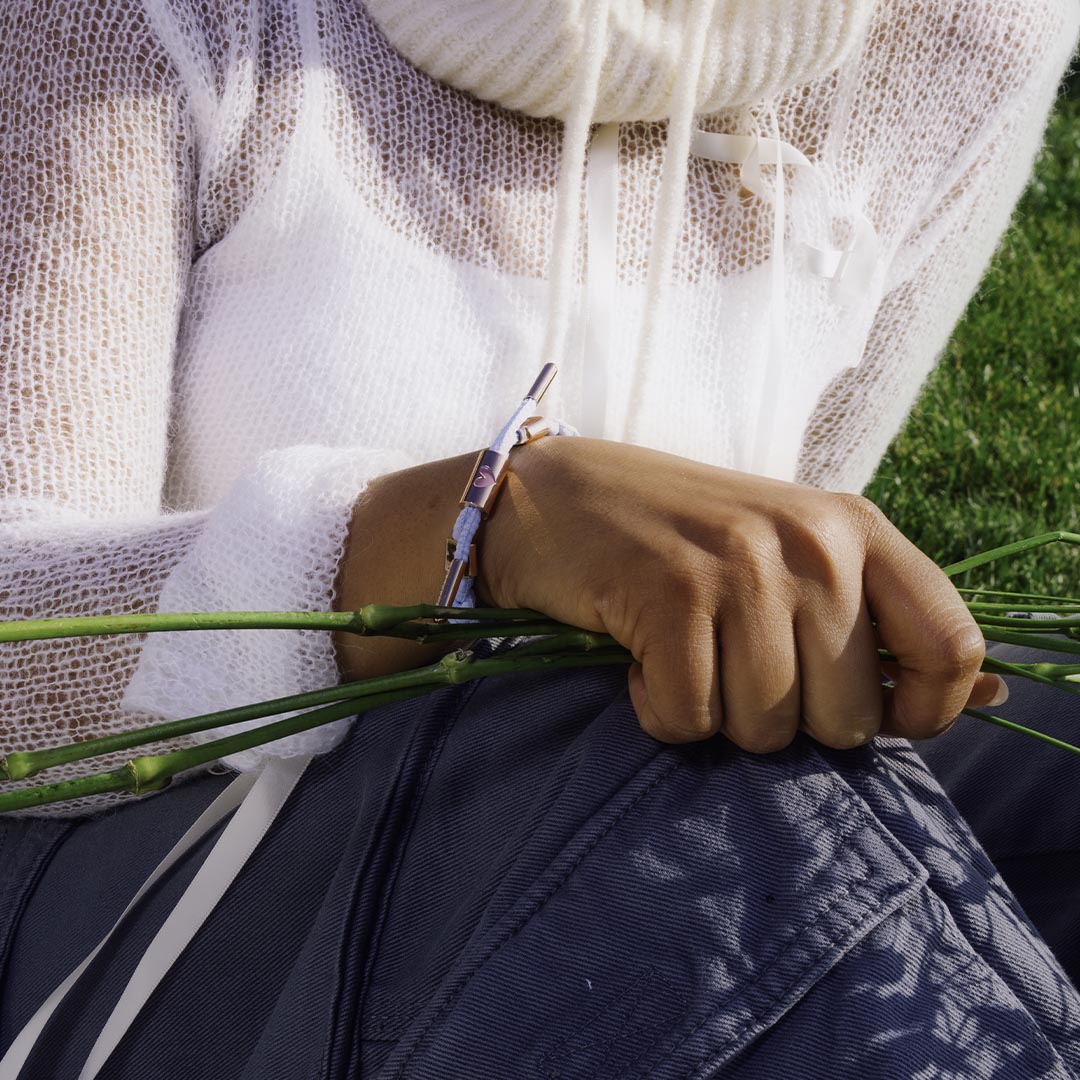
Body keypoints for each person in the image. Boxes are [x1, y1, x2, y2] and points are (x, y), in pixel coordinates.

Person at [0, 0, 1078, 1075]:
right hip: (142, 872)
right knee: (678, 789)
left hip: (608, 884)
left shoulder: (964, 36)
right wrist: (476, 531)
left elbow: (791, 543)